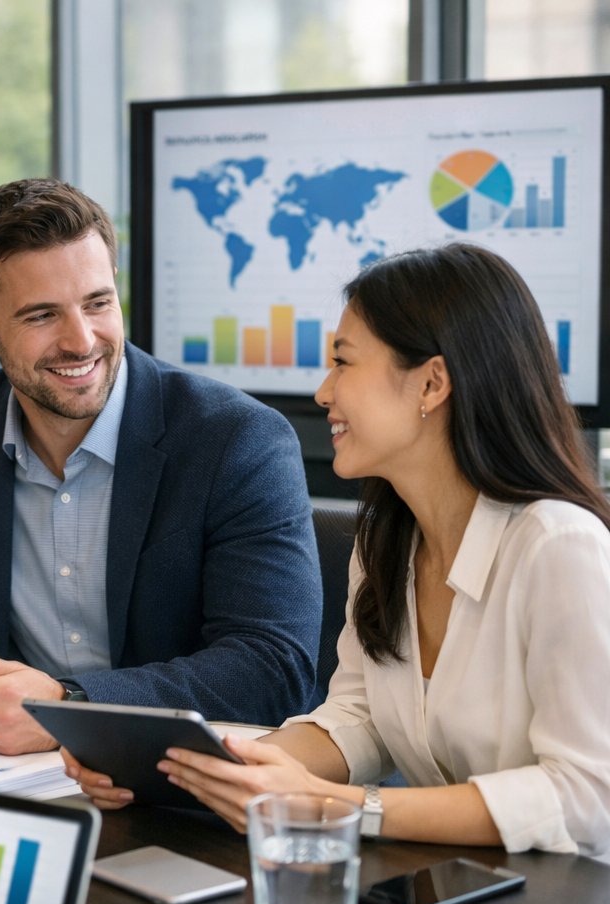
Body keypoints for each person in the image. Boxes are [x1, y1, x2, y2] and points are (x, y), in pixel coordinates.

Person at [88, 243, 610, 856]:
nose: (323, 392)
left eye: (343, 363)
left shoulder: (560, 548)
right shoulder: (389, 540)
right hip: (451, 894)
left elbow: (587, 797)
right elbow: (360, 720)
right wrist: (209, 769)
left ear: (432, 382)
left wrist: (339, 806)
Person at [0, 178, 321, 756]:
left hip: (182, 778)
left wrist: (69, 705)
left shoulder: (235, 439)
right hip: (7, 776)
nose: (81, 341)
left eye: (98, 303)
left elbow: (271, 668)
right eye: (42, 316)